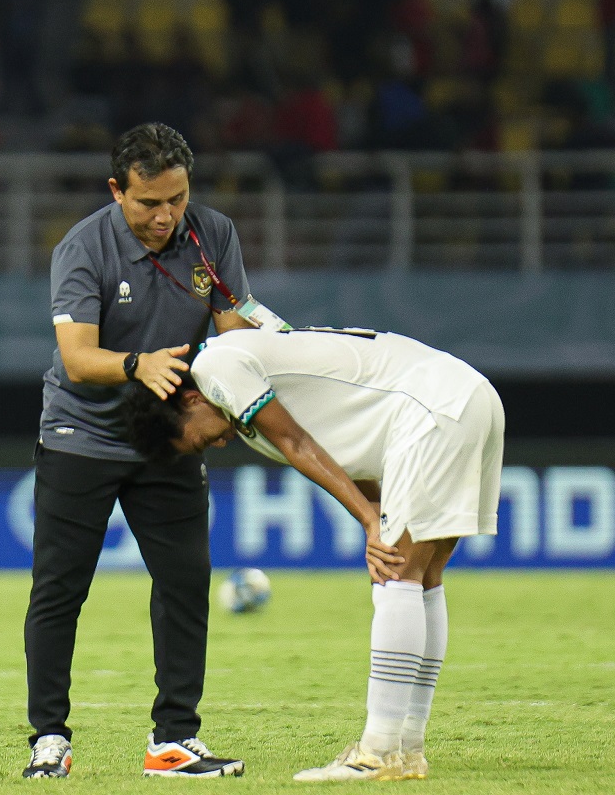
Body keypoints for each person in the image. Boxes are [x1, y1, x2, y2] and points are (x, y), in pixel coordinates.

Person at [124, 326, 504, 782]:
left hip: (432, 407)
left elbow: (297, 444)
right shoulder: (241, 379)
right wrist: (373, 511)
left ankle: (377, 752)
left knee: (395, 574)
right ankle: (407, 748)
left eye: (202, 440)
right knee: (423, 577)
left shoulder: (215, 367)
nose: (217, 443)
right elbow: (334, 451)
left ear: (190, 400)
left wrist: (370, 521)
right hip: (466, 395)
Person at [23, 122, 255, 779]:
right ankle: (49, 739)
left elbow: (235, 334)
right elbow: (77, 359)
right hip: (82, 436)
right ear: (116, 190)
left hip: (168, 438)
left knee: (185, 583)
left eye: (177, 199)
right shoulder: (81, 248)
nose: (165, 216)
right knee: (59, 590)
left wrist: (233, 376)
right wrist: (137, 364)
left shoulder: (214, 235)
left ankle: (174, 740)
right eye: (149, 202)